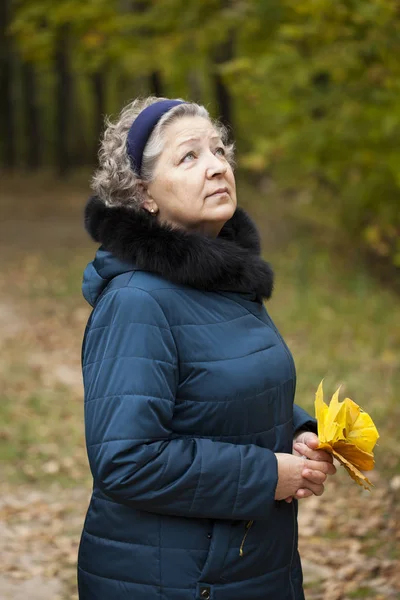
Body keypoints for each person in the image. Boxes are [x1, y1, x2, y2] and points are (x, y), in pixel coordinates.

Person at [78, 96, 336, 600]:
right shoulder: (137, 301)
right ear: (143, 193)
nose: (218, 166)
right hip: (174, 580)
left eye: (219, 150)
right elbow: (126, 460)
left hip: (252, 567)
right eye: (189, 156)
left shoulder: (221, 279)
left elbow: (220, 392)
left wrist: (298, 431)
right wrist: (265, 475)